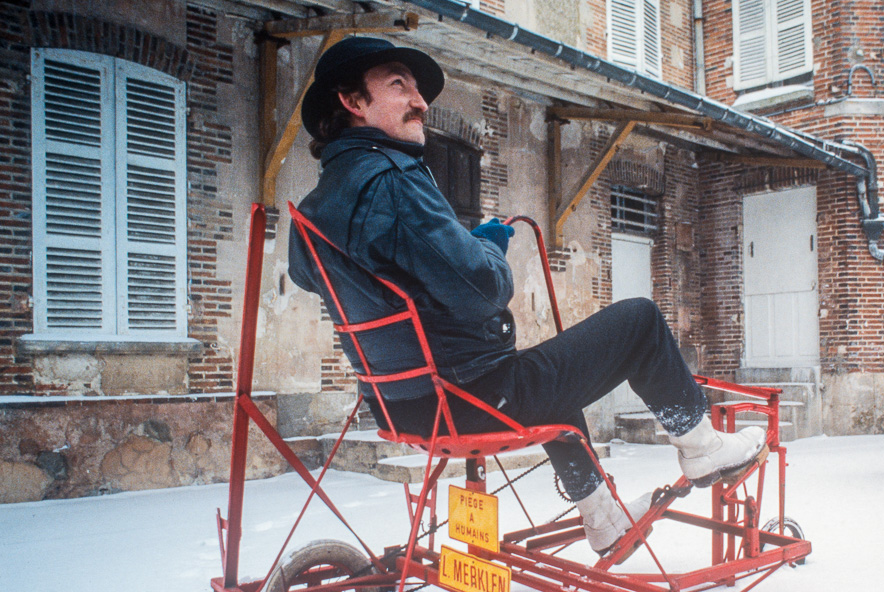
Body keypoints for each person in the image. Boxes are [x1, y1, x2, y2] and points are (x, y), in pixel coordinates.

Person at [286, 37, 766, 555]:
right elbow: (484, 290)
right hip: (467, 401)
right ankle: (701, 447)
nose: (421, 102)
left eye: (418, 90)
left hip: (399, 406)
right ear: (353, 103)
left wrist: (453, 256)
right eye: (399, 85)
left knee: (550, 372)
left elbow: (318, 277)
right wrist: (486, 247)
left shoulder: (313, 209)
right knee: (640, 319)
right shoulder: (393, 182)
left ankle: (601, 516)